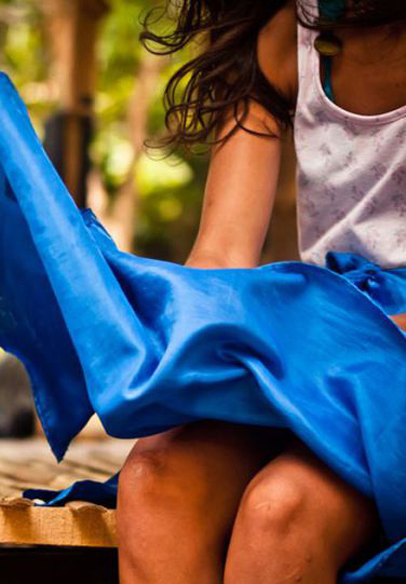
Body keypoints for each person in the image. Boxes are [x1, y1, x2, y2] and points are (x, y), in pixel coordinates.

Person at [116, 1, 406, 583]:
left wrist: (328, 344)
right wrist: (171, 369)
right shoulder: (283, 38)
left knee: (280, 512)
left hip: (372, 353)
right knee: (153, 480)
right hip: (326, 349)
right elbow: (220, 258)